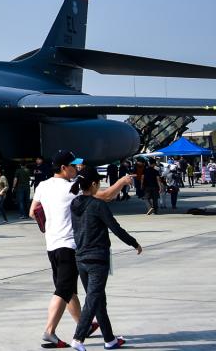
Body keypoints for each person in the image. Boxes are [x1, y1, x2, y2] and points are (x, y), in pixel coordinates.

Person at [30, 150, 132, 349]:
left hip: (51, 244)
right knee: (63, 289)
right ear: (63, 168)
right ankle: (49, 331)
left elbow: (33, 212)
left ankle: (83, 325)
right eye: (73, 165)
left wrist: (51, 223)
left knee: (69, 290)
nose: (76, 168)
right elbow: (104, 196)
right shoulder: (71, 188)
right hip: (69, 245)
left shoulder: (43, 185)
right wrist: (121, 182)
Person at [69, 167, 142, 351]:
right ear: (94, 184)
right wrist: (134, 243)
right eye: (99, 182)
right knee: (93, 299)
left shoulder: (75, 203)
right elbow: (115, 228)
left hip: (81, 258)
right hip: (97, 259)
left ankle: (109, 340)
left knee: (98, 299)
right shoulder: (97, 205)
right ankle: (78, 338)